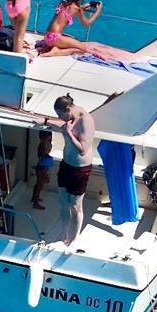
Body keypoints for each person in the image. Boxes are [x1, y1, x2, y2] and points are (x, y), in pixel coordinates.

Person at [50, 95, 95, 250]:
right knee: (63, 203)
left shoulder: (85, 121)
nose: (59, 118)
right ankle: (63, 236)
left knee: (75, 206)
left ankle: (74, 239)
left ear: (68, 109)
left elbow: (83, 150)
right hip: (66, 166)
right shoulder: (69, 119)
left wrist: (68, 133)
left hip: (79, 170)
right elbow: (61, 125)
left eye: (60, 115)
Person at [36, 0, 103, 56]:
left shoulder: (63, 2)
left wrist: (81, 7)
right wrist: (98, 11)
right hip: (55, 39)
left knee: (71, 39)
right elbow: (87, 23)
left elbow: (70, 10)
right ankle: (57, 52)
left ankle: (54, 47)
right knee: (83, 49)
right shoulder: (77, 9)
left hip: (47, 37)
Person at [32, 129, 54, 211]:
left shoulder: (46, 144)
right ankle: (35, 203)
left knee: (38, 184)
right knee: (39, 186)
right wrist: (46, 173)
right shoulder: (43, 145)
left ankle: (34, 198)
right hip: (42, 168)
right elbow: (43, 159)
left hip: (41, 167)